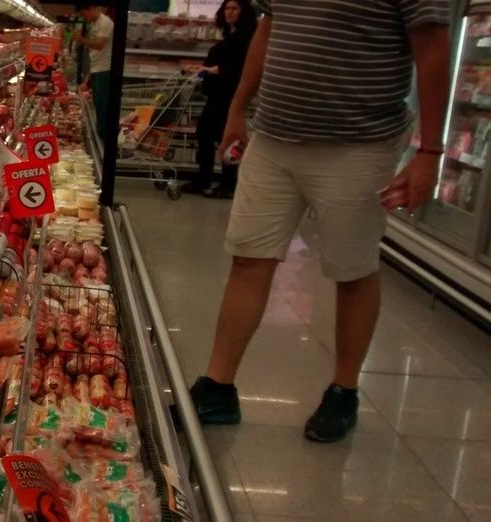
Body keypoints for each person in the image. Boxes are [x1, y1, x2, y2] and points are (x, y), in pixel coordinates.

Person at [190, 0, 450, 443]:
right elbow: (269, 28)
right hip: (273, 136)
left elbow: (432, 48)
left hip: (358, 143)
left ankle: (344, 390)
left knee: (353, 270)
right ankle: (217, 387)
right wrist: (237, 109)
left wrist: (430, 152)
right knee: (248, 257)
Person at [188, 0, 256, 198]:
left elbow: (236, 67)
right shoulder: (231, 34)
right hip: (218, 93)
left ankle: (227, 183)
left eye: (235, 8)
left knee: (222, 136)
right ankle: (205, 179)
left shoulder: (245, 37)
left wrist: (208, 69)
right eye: (227, 8)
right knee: (205, 134)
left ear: (244, 12)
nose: (229, 12)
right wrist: (204, 69)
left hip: (228, 94)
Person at [73, 4, 114, 137]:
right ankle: (100, 131)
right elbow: (94, 54)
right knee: (98, 101)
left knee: (102, 103)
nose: (84, 18)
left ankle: (103, 134)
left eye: (84, 14)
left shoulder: (105, 22)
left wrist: (80, 39)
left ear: (91, 8)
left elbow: (99, 45)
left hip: (104, 70)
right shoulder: (95, 24)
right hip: (97, 69)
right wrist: (87, 78)